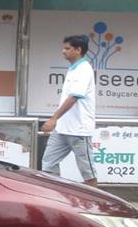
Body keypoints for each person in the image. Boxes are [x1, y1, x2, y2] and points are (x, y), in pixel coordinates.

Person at [40, 35, 98, 187]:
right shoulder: (73, 68)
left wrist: (53, 119)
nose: (63, 51)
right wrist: (57, 121)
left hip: (79, 129)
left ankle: (94, 199)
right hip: (62, 129)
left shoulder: (84, 69)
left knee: (87, 172)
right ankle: (55, 195)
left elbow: (74, 97)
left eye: (67, 48)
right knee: (48, 164)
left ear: (78, 50)